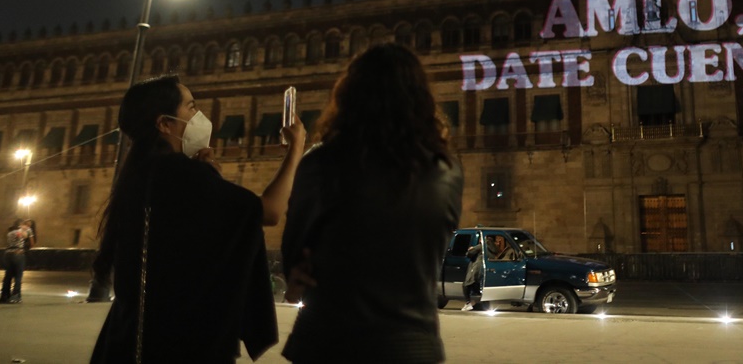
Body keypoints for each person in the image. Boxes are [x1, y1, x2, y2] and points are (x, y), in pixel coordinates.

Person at [89, 74, 305, 364]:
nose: (199, 116)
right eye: (191, 107)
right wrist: (295, 152)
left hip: (128, 339)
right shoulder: (185, 176)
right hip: (180, 344)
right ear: (164, 123)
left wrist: (208, 178)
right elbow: (268, 211)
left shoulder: (140, 176)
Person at [280, 43, 463, 363]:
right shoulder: (447, 170)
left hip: (328, 342)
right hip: (412, 347)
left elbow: (294, 256)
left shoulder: (321, 163)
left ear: (349, 95)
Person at [0, 218, 33, 303]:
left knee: (8, 276)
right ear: (21, 224)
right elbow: (31, 243)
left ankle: (4, 296)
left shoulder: (9, 232)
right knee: (18, 276)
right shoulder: (25, 229)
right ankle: (16, 296)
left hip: (7, 254)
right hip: (18, 253)